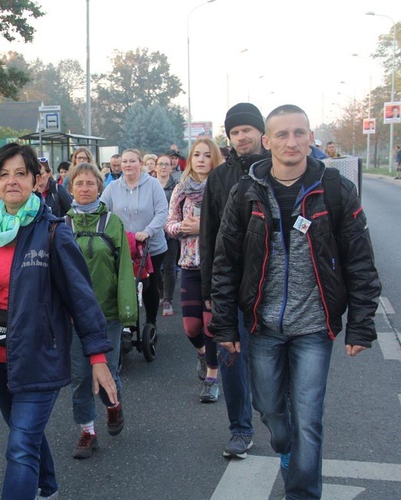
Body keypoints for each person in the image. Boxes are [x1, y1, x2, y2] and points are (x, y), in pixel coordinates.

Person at [0, 143, 117, 500]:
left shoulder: (53, 232)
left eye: (20, 173)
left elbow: (81, 297)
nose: (11, 181)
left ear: (36, 180)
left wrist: (98, 356)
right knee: (22, 433)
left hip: (38, 357)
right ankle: (48, 486)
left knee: (19, 446)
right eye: (4, 174)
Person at [209, 104, 381, 499]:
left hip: (314, 327)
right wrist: (223, 324)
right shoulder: (246, 193)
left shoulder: (336, 189)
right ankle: (285, 447)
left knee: (308, 420)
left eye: (299, 133)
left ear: (310, 137)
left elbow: (360, 261)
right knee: (270, 412)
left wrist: (360, 323)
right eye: (282, 135)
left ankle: (301, 492)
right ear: (267, 141)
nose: (292, 142)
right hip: (263, 326)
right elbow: (225, 264)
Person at [200, 102, 265, 460]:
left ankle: (277, 417)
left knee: (270, 360)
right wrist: (208, 291)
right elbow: (208, 236)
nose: (241, 137)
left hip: (271, 286)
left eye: (247, 130)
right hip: (229, 285)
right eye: (235, 132)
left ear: (261, 133)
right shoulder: (219, 178)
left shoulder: (276, 171)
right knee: (231, 360)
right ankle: (240, 429)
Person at [66, 162, 137, 459]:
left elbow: (124, 270)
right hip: (72, 316)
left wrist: (127, 311)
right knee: (81, 375)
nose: (84, 188)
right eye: (79, 183)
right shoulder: (62, 225)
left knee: (107, 367)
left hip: (106, 312)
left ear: (99, 187)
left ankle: (113, 404)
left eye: (90, 183)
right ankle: (87, 431)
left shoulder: (112, 223)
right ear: (71, 188)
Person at [164, 138, 222, 402]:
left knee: (211, 324)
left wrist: (204, 227)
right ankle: (202, 352)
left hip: (217, 266)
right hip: (189, 264)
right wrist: (183, 229)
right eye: (196, 154)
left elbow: (231, 225)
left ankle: (212, 376)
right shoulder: (181, 189)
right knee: (191, 327)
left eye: (206, 155)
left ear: (215, 159)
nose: (200, 159)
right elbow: (170, 224)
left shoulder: (222, 187)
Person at [100, 149, 168, 336]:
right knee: (125, 284)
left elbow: (162, 212)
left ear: (140, 164)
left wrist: (148, 231)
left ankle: (151, 322)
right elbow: (102, 209)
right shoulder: (113, 187)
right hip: (123, 247)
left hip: (151, 247)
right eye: (124, 162)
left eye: (132, 161)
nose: (128, 165)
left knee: (147, 284)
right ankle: (128, 323)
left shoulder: (153, 185)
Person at [156, 155, 178, 317]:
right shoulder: (150, 185)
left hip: (170, 232)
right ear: (155, 167)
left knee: (169, 266)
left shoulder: (177, 186)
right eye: (160, 164)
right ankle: (161, 292)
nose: (163, 167)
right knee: (154, 267)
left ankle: (168, 299)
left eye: (166, 164)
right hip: (154, 231)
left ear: (171, 167)